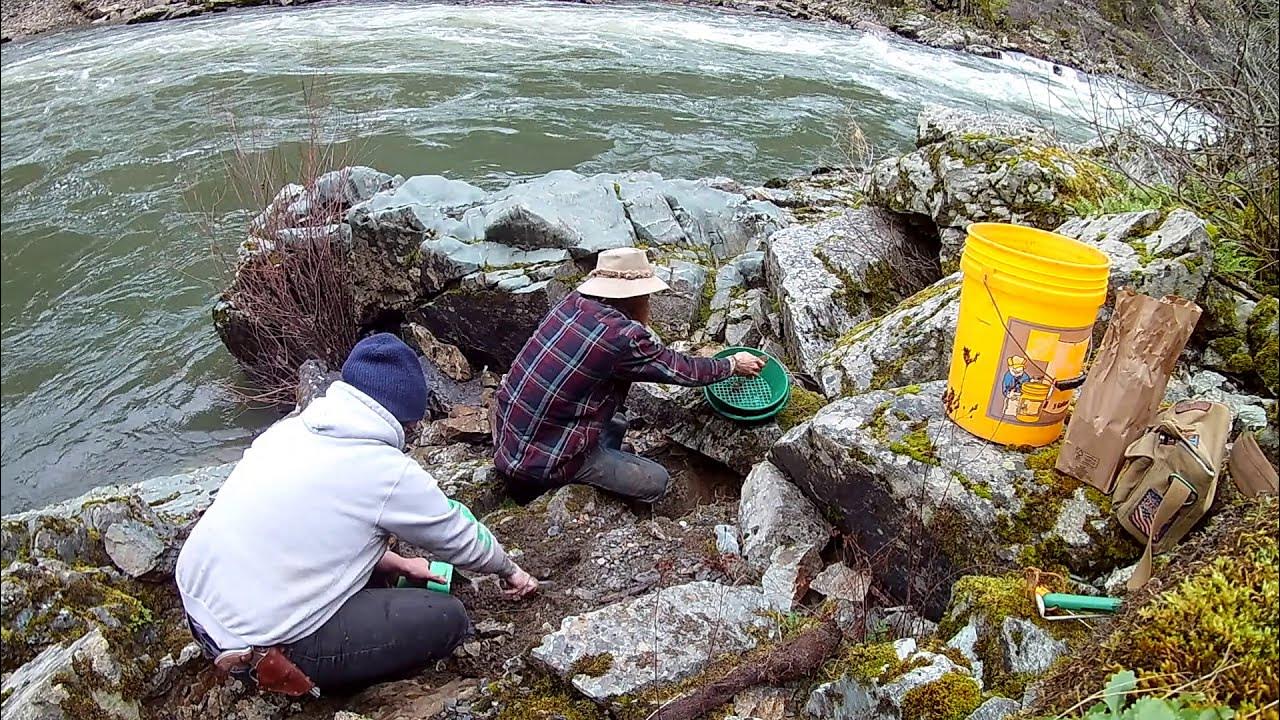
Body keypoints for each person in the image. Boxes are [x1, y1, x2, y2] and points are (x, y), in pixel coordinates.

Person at [175, 333, 538, 694]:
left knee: (380, 563)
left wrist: (394, 562)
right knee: (448, 617)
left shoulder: (288, 431)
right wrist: (510, 570)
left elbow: (314, 530)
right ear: (405, 418)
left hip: (199, 603)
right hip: (262, 643)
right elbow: (459, 537)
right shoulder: (385, 471)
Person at [493, 247, 766, 504]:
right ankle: (574, 485)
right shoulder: (622, 337)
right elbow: (680, 369)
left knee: (617, 419)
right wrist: (732, 364)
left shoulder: (573, 303)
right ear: (634, 296)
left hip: (511, 438)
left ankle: (602, 459)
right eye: (646, 296)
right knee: (656, 481)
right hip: (543, 462)